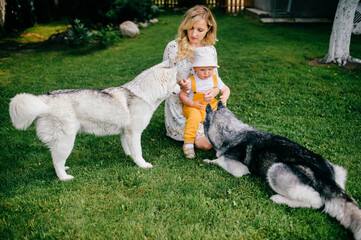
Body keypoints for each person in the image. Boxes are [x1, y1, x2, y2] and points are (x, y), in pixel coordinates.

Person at [163, 5, 219, 150]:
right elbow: (164, 80)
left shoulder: (209, 49)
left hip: (202, 103)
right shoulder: (173, 48)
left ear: (209, 29)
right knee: (206, 144)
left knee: (222, 134)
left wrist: (213, 92)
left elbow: (214, 80)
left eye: (200, 30)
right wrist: (180, 86)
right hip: (179, 104)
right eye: (191, 28)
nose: (194, 34)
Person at [179, 46, 230, 158]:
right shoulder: (191, 81)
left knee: (221, 118)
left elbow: (226, 89)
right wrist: (192, 104)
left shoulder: (215, 78)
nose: (206, 73)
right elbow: (182, 95)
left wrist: (224, 97)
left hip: (210, 107)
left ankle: (223, 141)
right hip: (194, 107)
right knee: (194, 118)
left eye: (210, 69)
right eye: (202, 70)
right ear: (195, 68)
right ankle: (188, 142)